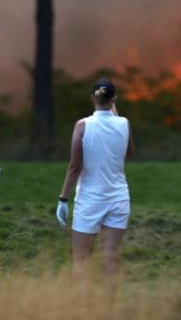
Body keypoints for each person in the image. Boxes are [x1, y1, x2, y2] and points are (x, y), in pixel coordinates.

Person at [56, 78, 134, 280]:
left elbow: (75, 167)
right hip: (118, 198)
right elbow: (129, 153)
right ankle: (109, 309)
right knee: (111, 260)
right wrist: (115, 116)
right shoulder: (124, 123)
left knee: (81, 262)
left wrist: (63, 199)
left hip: (90, 200)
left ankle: (83, 308)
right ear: (113, 99)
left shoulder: (82, 125)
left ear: (92, 98)